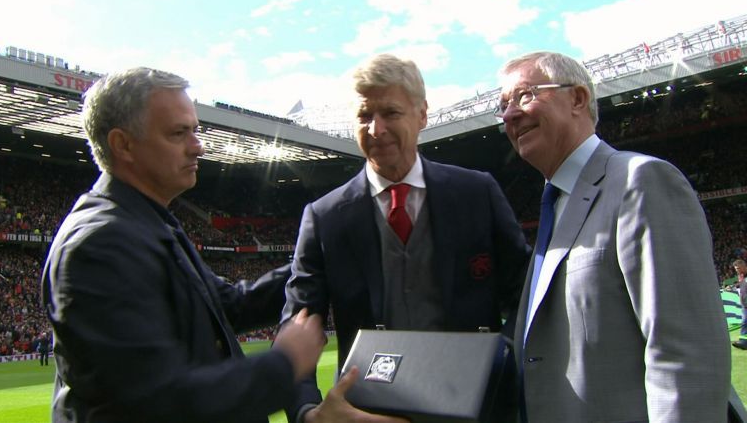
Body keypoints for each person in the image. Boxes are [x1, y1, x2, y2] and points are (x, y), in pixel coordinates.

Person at [41, 67, 325, 423]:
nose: (198, 146)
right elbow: (158, 400)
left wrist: (316, 265)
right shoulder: (100, 244)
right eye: (178, 133)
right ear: (123, 144)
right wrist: (284, 364)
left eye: (195, 130)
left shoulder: (147, 220)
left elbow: (225, 305)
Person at [282, 53, 530, 422]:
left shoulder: (476, 193)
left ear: (422, 115)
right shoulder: (324, 217)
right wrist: (307, 413)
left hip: (477, 410)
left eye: (391, 113)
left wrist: (497, 358)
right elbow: (298, 325)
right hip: (370, 413)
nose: (376, 129)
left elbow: (524, 296)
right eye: (364, 116)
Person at [497, 51, 731, 422]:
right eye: (503, 105)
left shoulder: (640, 182)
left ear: (577, 98)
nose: (510, 114)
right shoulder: (554, 206)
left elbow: (686, 353)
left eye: (525, 95)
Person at [734, 259, 747, 350]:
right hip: (744, 304)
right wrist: (732, 287)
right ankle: (743, 342)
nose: (737, 270)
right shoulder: (741, 276)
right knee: (745, 322)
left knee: (745, 322)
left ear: (743, 266)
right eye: (736, 269)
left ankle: (743, 342)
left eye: (738, 268)